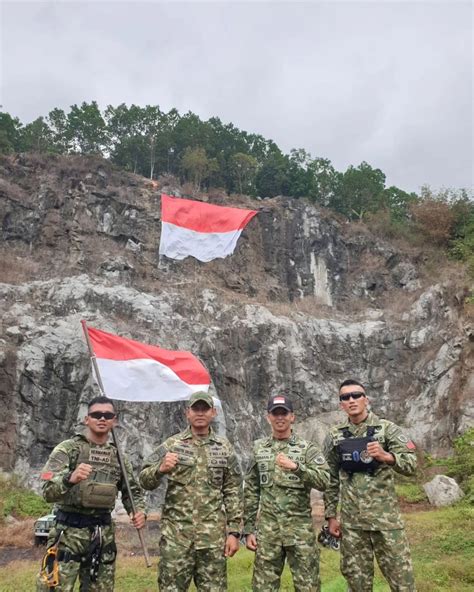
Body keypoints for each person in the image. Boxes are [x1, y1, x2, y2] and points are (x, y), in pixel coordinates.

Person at [36, 396, 146, 592]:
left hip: (102, 535)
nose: (102, 419)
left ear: (115, 420)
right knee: (55, 587)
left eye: (107, 415)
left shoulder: (119, 457)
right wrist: (70, 478)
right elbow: (46, 492)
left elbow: (132, 491)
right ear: (87, 419)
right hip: (68, 532)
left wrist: (138, 511)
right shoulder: (68, 449)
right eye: (96, 414)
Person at [139, 391, 242, 591]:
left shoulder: (224, 448)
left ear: (213, 412)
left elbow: (233, 491)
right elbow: (144, 479)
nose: (200, 413)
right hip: (177, 540)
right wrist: (160, 469)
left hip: (212, 541)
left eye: (205, 409)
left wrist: (234, 533)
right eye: (196, 408)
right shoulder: (172, 444)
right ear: (188, 413)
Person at [324, 379, 417, 592]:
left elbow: (412, 465)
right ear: (341, 404)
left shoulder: (386, 429)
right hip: (352, 525)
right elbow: (329, 477)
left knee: (403, 582)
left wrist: (387, 456)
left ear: (366, 399)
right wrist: (330, 516)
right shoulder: (334, 436)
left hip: (386, 523)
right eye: (345, 397)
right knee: (357, 585)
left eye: (356, 395)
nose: (351, 400)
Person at [243, 394, 330, 592]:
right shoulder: (258, 448)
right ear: (268, 417)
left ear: (293, 417)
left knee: (308, 587)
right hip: (268, 534)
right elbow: (251, 490)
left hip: (300, 533)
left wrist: (297, 467)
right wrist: (248, 529)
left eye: (284, 413)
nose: (279, 418)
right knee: (263, 588)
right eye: (275, 414)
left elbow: (325, 481)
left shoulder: (307, 449)